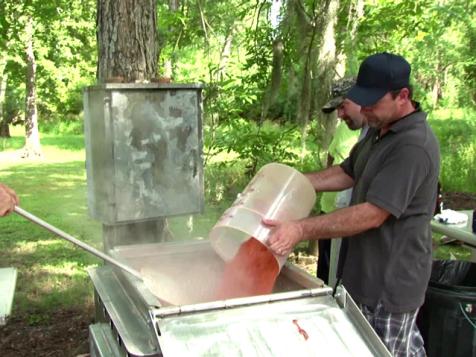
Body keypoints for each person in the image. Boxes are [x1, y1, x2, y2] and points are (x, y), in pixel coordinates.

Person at [265, 52, 440, 356]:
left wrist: (299, 229)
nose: (366, 110)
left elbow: (372, 214)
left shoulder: (413, 146)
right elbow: (346, 173)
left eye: (373, 102)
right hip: (361, 276)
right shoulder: (378, 131)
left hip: (389, 286)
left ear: (403, 96)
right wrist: (290, 182)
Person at [317, 78, 368, 285]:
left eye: (343, 106)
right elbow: (343, 170)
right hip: (333, 208)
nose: (339, 114)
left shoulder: (391, 138)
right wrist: (289, 183)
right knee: (328, 271)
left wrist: (299, 229)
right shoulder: (361, 131)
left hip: (353, 220)